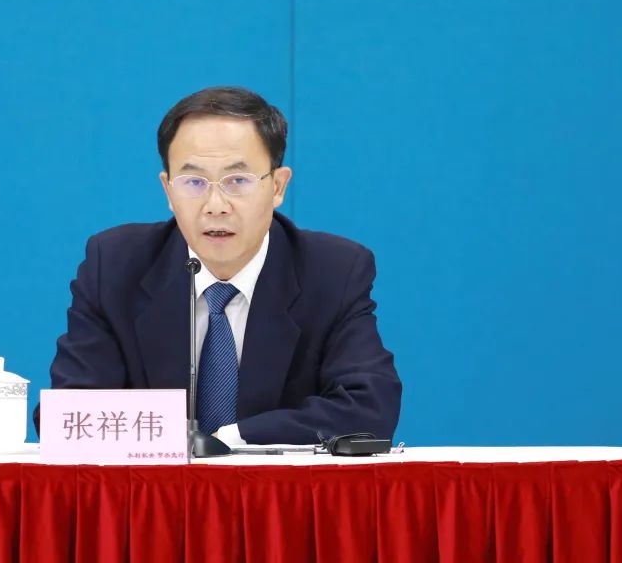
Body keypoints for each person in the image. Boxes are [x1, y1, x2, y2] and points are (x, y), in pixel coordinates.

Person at [39, 87, 401, 445]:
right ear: (168, 191)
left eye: (238, 181)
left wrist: (226, 440)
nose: (215, 205)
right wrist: (178, 441)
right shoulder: (115, 266)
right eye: (194, 182)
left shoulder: (333, 272)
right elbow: (68, 415)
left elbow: (369, 408)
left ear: (278, 186)